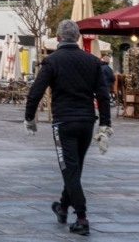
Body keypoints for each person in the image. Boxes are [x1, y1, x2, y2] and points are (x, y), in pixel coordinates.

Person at [24, 20, 112, 237]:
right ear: (79, 37)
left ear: (58, 37)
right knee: (75, 167)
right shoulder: (93, 61)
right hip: (86, 122)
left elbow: (36, 92)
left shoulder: (52, 61)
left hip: (64, 122)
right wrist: (105, 124)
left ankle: (81, 217)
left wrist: (29, 118)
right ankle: (63, 207)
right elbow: (103, 95)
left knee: (70, 168)